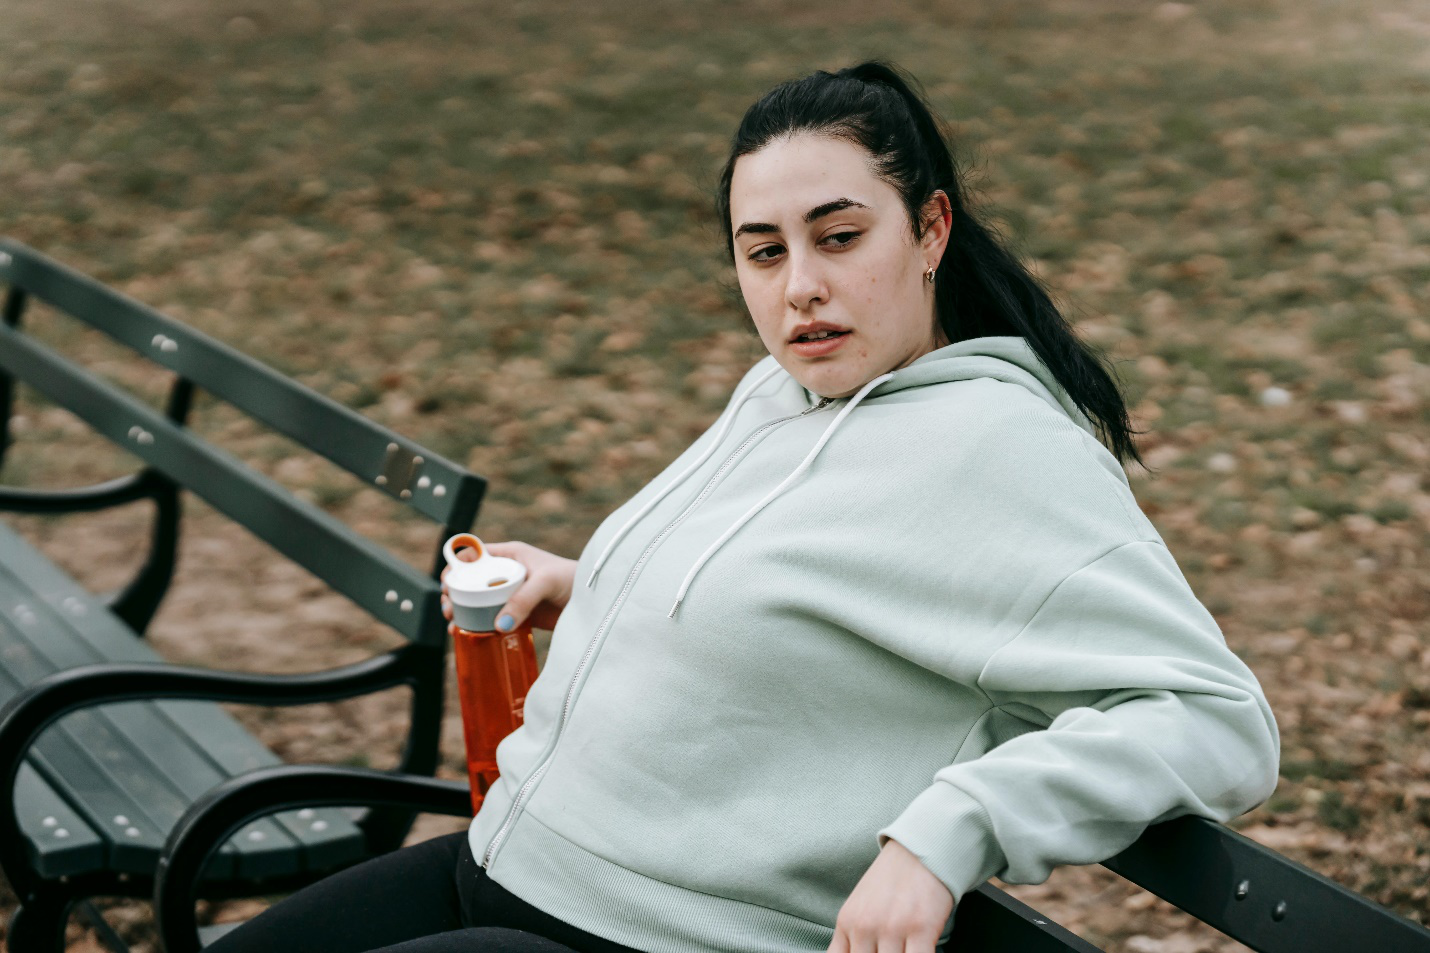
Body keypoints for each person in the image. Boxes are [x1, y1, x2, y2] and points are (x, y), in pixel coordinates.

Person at [207, 61, 1279, 953]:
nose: (797, 286)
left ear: (930, 229)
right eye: (763, 251)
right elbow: (805, 602)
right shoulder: (784, 392)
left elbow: (1210, 718)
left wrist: (947, 831)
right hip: (502, 857)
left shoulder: (1004, 453)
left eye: (838, 236)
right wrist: (587, 587)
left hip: (648, 937)